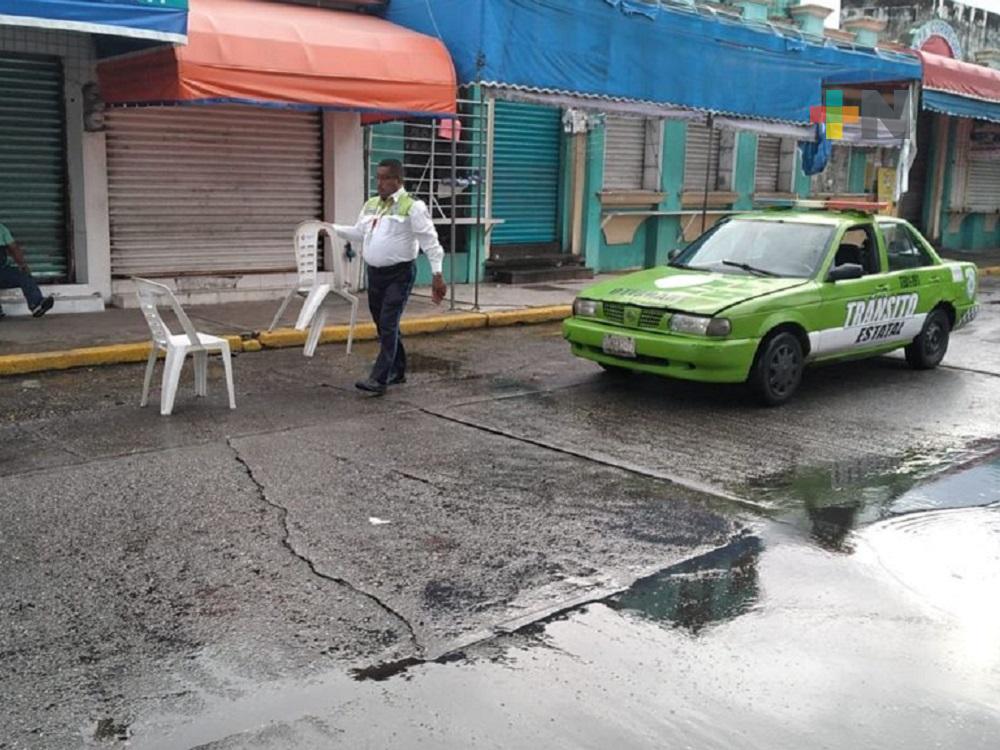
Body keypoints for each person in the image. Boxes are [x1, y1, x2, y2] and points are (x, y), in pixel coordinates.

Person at [332, 159, 447, 396]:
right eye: (378, 178)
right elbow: (358, 233)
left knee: (387, 323)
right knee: (384, 325)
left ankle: (379, 378)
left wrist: (437, 274)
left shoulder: (412, 206)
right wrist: (331, 228)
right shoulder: (371, 204)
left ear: (398, 180)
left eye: (386, 178)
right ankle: (398, 370)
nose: (380, 183)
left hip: (400, 274)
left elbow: (430, 242)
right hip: (375, 274)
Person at [0, 223, 54, 320]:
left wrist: (23, 265)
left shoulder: (1, 228)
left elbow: (14, 248)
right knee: (22, 275)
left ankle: (37, 305)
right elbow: (14, 248)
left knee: (23, 275)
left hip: (2, 271)